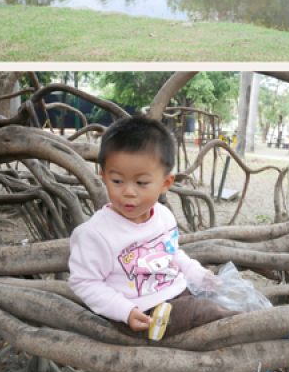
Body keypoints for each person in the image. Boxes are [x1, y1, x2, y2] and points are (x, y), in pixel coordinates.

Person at [69, 116, 239, 341]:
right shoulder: (95, 234)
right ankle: (253, 328)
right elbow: (85, 282)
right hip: (142, 314)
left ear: (165, 184)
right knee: (207, 313)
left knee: (218, 300)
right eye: (117, 181)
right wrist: (124, 310)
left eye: (141, 183)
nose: (128, 192)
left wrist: (196, 274)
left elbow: (172, 254)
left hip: (178, 296)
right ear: (104, 177)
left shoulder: (163, 216)